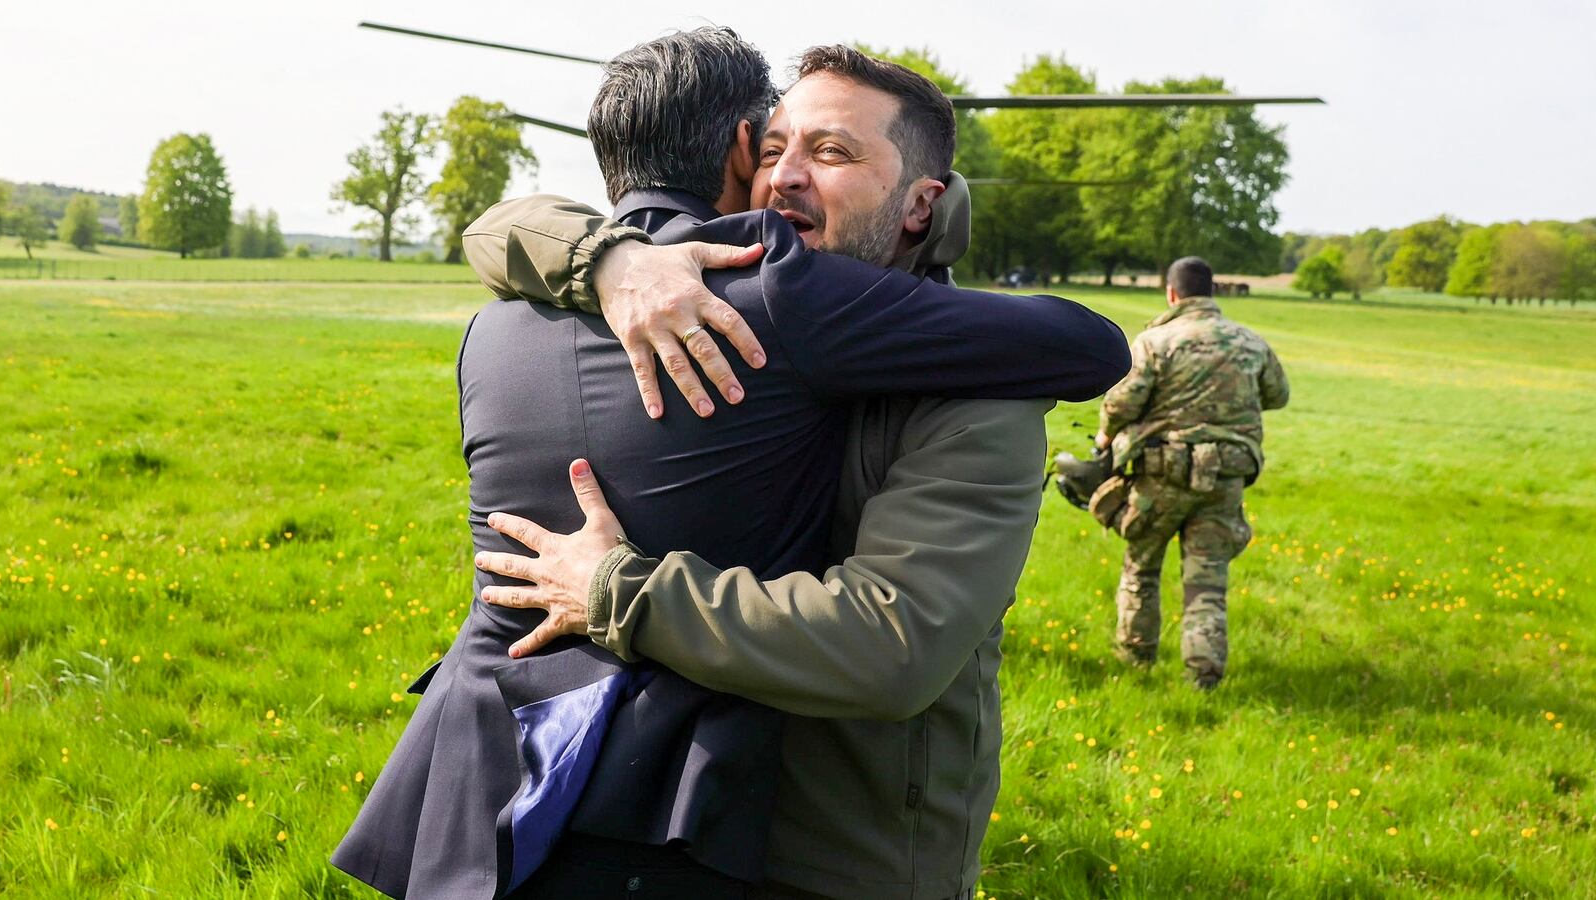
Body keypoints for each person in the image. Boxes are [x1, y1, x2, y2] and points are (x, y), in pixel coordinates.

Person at [332, 29, 1129, 900]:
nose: (787, 176)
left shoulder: (976, 390)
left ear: (920, 205)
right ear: (742, 151)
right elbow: (495, 228)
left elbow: (894, 642)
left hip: (833, 851)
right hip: (671, 820)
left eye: (831, 152)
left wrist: (621, 589)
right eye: (778, 146)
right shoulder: (698, 297)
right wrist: (612, 258)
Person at [1093, 256, 1290, 689]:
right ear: (1212, 292)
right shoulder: (1250, 342)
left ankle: (1135, 661)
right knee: (1207, 582)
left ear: (1171, 293)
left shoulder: (1154, 341)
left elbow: (1121, 402)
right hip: (1225, 478)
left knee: (1141, 568)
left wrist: (1104, 439)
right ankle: (1204, 674)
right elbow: (1278, 395)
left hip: (1161, 475)